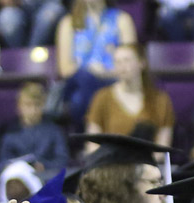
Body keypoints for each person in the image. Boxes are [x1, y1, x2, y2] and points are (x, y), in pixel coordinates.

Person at [55, 0, 137, 128]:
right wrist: (90, 71)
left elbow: (131, 64)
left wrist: (105, 73)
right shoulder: (69, 22)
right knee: (82, 86)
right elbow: (65, 69)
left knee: (84, 96)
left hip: (111, 81)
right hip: (79, 83)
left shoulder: (122, 20)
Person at [85, 43, 175, 148]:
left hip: (147, 158)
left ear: (141, 63)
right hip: (110, 157)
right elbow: (92, 143)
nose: (122, 66)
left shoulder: (160, 99)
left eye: (127, 60)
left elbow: (163, 144)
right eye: (117, 62)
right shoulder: (102, 97)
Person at [0, 82, 70, 178]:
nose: (33, 110)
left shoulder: (54, 131)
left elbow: (63, 162)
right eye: (28, 105)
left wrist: (44, 166)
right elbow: (0, 165)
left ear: (43, 105)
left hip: (46, 179)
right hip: (18, 179)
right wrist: (11, 167)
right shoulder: (10, 133)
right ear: (19, 106)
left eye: (37, 105)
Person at [0, 0, 64, 49]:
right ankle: (21, 58)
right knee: (7, 18)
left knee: (50, 16)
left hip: (48, 4)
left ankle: (28, 58)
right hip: (19, 7)